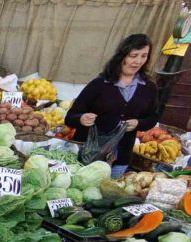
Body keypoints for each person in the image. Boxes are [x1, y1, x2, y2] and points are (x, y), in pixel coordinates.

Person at [65, 34, 158, 177]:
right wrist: (81, 118)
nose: (138, 61)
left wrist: (139, 123)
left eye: (144, 56)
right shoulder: (100, 84)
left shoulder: (149, 88)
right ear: (122, 56)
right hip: (87, 155)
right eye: (133, 55)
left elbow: (152, 118)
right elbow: (70, 117)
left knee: (107, 194)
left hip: (120, 158)